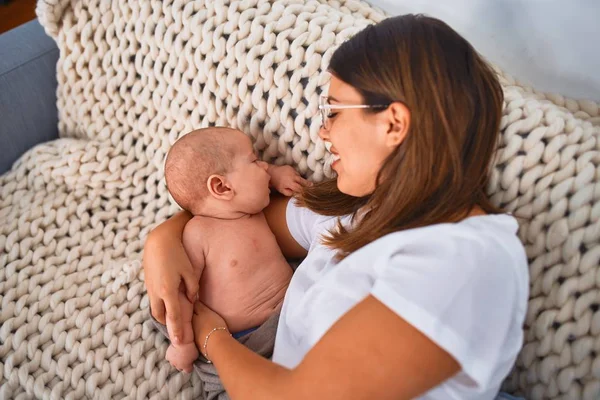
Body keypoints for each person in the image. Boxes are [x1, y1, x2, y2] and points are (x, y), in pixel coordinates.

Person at [143, 14, 529, 399]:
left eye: (335, 111)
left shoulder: (462, 258)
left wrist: (212, 337)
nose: (324, 132)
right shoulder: (356, 213)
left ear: (393, 124)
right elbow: (232, 219)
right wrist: (162, 241)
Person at [158, 127, 308, 375]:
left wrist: (278, 175)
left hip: (292, 315)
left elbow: (256, 180)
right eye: (254, 160)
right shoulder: (197, 233)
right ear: (221, 187)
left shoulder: (252, 209)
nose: (264, 167)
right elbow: (184, 296)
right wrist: (181, 342)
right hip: (245, 341)